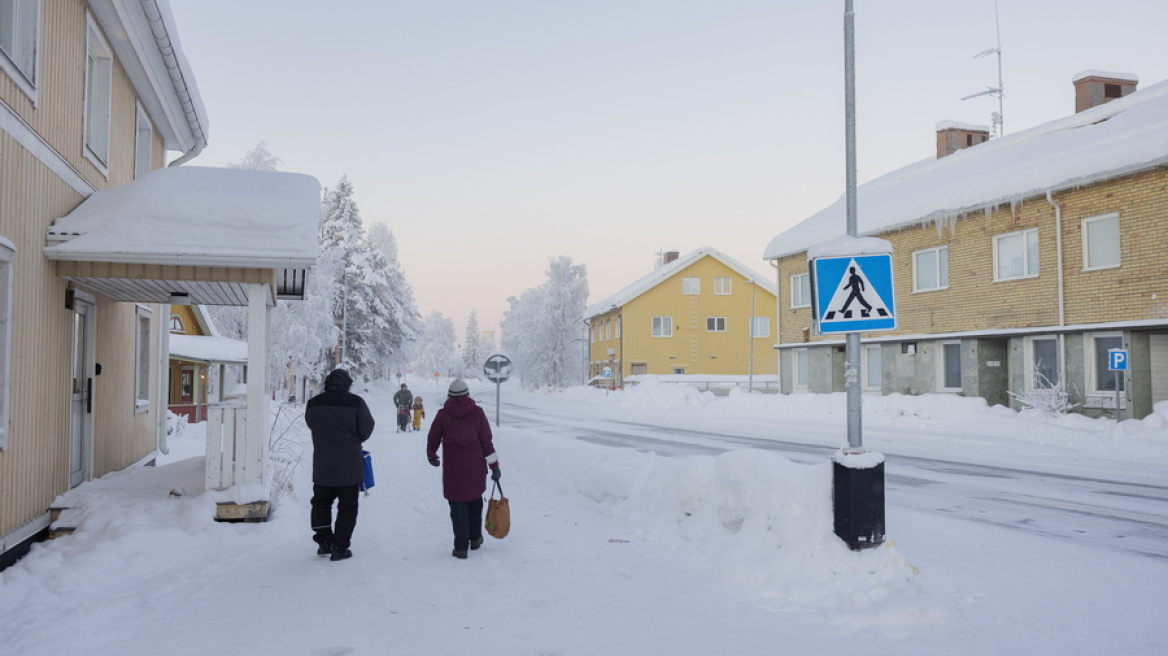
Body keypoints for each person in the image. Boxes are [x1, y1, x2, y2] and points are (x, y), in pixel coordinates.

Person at [426, 379, 501, 559]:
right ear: (467, 394)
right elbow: (486, 442)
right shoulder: (478, 413)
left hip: (453, 469)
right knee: (475, 501)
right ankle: (475, 539)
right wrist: (494, 466)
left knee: (457, 505)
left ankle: (460, 547)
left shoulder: (443, 414)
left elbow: (433, 437)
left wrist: (431, 455)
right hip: (475, 467)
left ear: (449, 395)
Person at [305, 369, 375, 561]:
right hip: (349, 466)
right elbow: (366, 428)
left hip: (323, 465)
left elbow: (311, 424)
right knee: (348, 507)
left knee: (320, 503)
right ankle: (340, 546)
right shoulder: (356, 403)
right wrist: (354, 438)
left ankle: (323, 541)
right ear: (347, 384)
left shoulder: (313, 403)